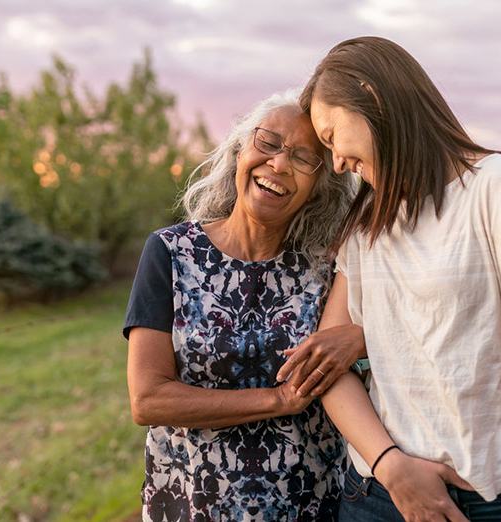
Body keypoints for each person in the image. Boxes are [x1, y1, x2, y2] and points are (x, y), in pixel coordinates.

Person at [279, 36, 501, 522]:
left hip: (497, 501)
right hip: (379, 496)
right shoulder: (367, 225)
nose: (336, 161)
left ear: (371, 96)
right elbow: (325, 366)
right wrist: (390, 466)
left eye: (332, 134)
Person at [123, 90, 359, 522]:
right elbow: (149, 399)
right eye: (268, 143)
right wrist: (276, 399)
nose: (280, 164)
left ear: (320, 187)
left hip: (310, 505)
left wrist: (360, 338)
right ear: (240, 151)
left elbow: (385, 334)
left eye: (305, 159)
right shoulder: (170, 252)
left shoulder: (331, 267)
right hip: (193, 504)